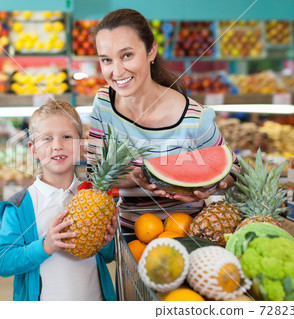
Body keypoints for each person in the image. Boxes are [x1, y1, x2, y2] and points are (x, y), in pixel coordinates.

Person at [87, 8, 238, 216]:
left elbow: (233, 168)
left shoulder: (194, 117)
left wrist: (211, 185)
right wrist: (140, 175)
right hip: (127, 232)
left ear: (151, 51)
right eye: (106, 60)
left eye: (127, 55)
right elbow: (95, 173)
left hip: (187, 233)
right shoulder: (104, 103)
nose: (117, 71)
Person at [0, 100, 117, 301]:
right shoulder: (19, 206)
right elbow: (2, 262)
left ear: (80, 145)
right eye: (47, 139)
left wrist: (105, 244)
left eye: (67, 137)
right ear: (33, 150)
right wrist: (45, 246)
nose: (57, 145)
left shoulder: (97, 198)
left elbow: (108, 257)